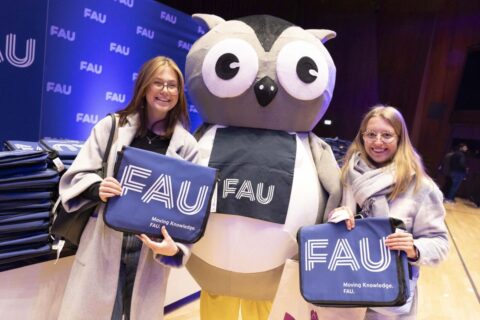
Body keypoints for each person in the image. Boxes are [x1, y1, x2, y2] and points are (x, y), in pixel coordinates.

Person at [57, 56, 198, 320]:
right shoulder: (111, 126)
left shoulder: (187, 146)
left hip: (149, 249)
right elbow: (75, 176)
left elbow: (188, 210)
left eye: (172, 85)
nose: (165, 91)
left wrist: (175, 248)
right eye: (158, 83)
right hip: (104, 239)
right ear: (144, 86)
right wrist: (97, 187)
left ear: (179, 93)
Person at [330, 105, 449, 319]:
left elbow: (439, 243)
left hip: (386, 301)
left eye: (386, 135)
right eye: (371, 134)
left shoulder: (420, 186)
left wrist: (413, 247)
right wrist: (336, 219)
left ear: (400, 139)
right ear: (362, 137)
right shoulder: (347, 176)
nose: (377, 142)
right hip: (343, 289)